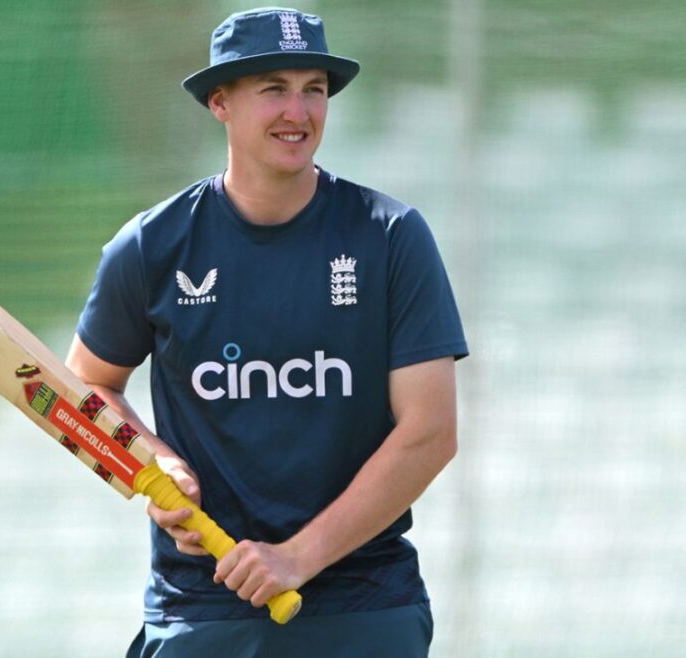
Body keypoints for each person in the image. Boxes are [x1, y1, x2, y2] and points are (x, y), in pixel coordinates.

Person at [65, 7, 468, 657]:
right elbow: (85, 388)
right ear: (220, 102)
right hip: (203, 605)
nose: (298, 112)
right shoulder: (151, 245)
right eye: (274, 88)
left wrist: (297, 557)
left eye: (314, 89)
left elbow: (431, 432)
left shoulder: (391, 237)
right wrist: (150, 463)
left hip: (364, 604)